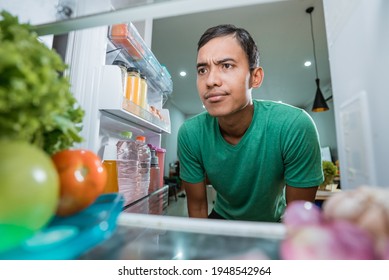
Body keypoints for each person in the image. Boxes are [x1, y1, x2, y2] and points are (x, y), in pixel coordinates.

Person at [177, 24, 324, 222]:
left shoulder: (294, 126)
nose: (210, 80)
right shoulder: (190, 133)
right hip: (222, 217)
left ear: (255, 77)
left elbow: (298, 217)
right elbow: (197, 206)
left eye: (226, 66)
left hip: (273, 221)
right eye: (202, 70)